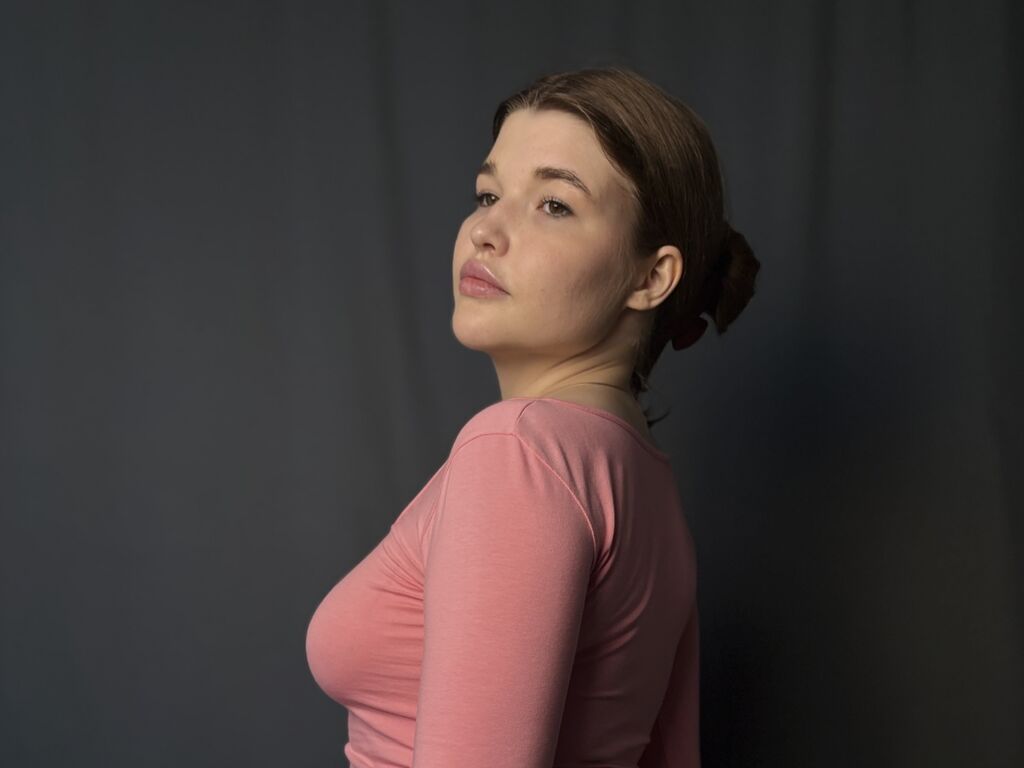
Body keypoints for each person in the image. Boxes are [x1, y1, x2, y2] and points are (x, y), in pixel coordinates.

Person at [306, 66, 760, 768]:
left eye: (554, 204)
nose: (485, 230)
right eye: (488, 194)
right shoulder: (640, 475)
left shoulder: (518, 452)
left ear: (651, 277)